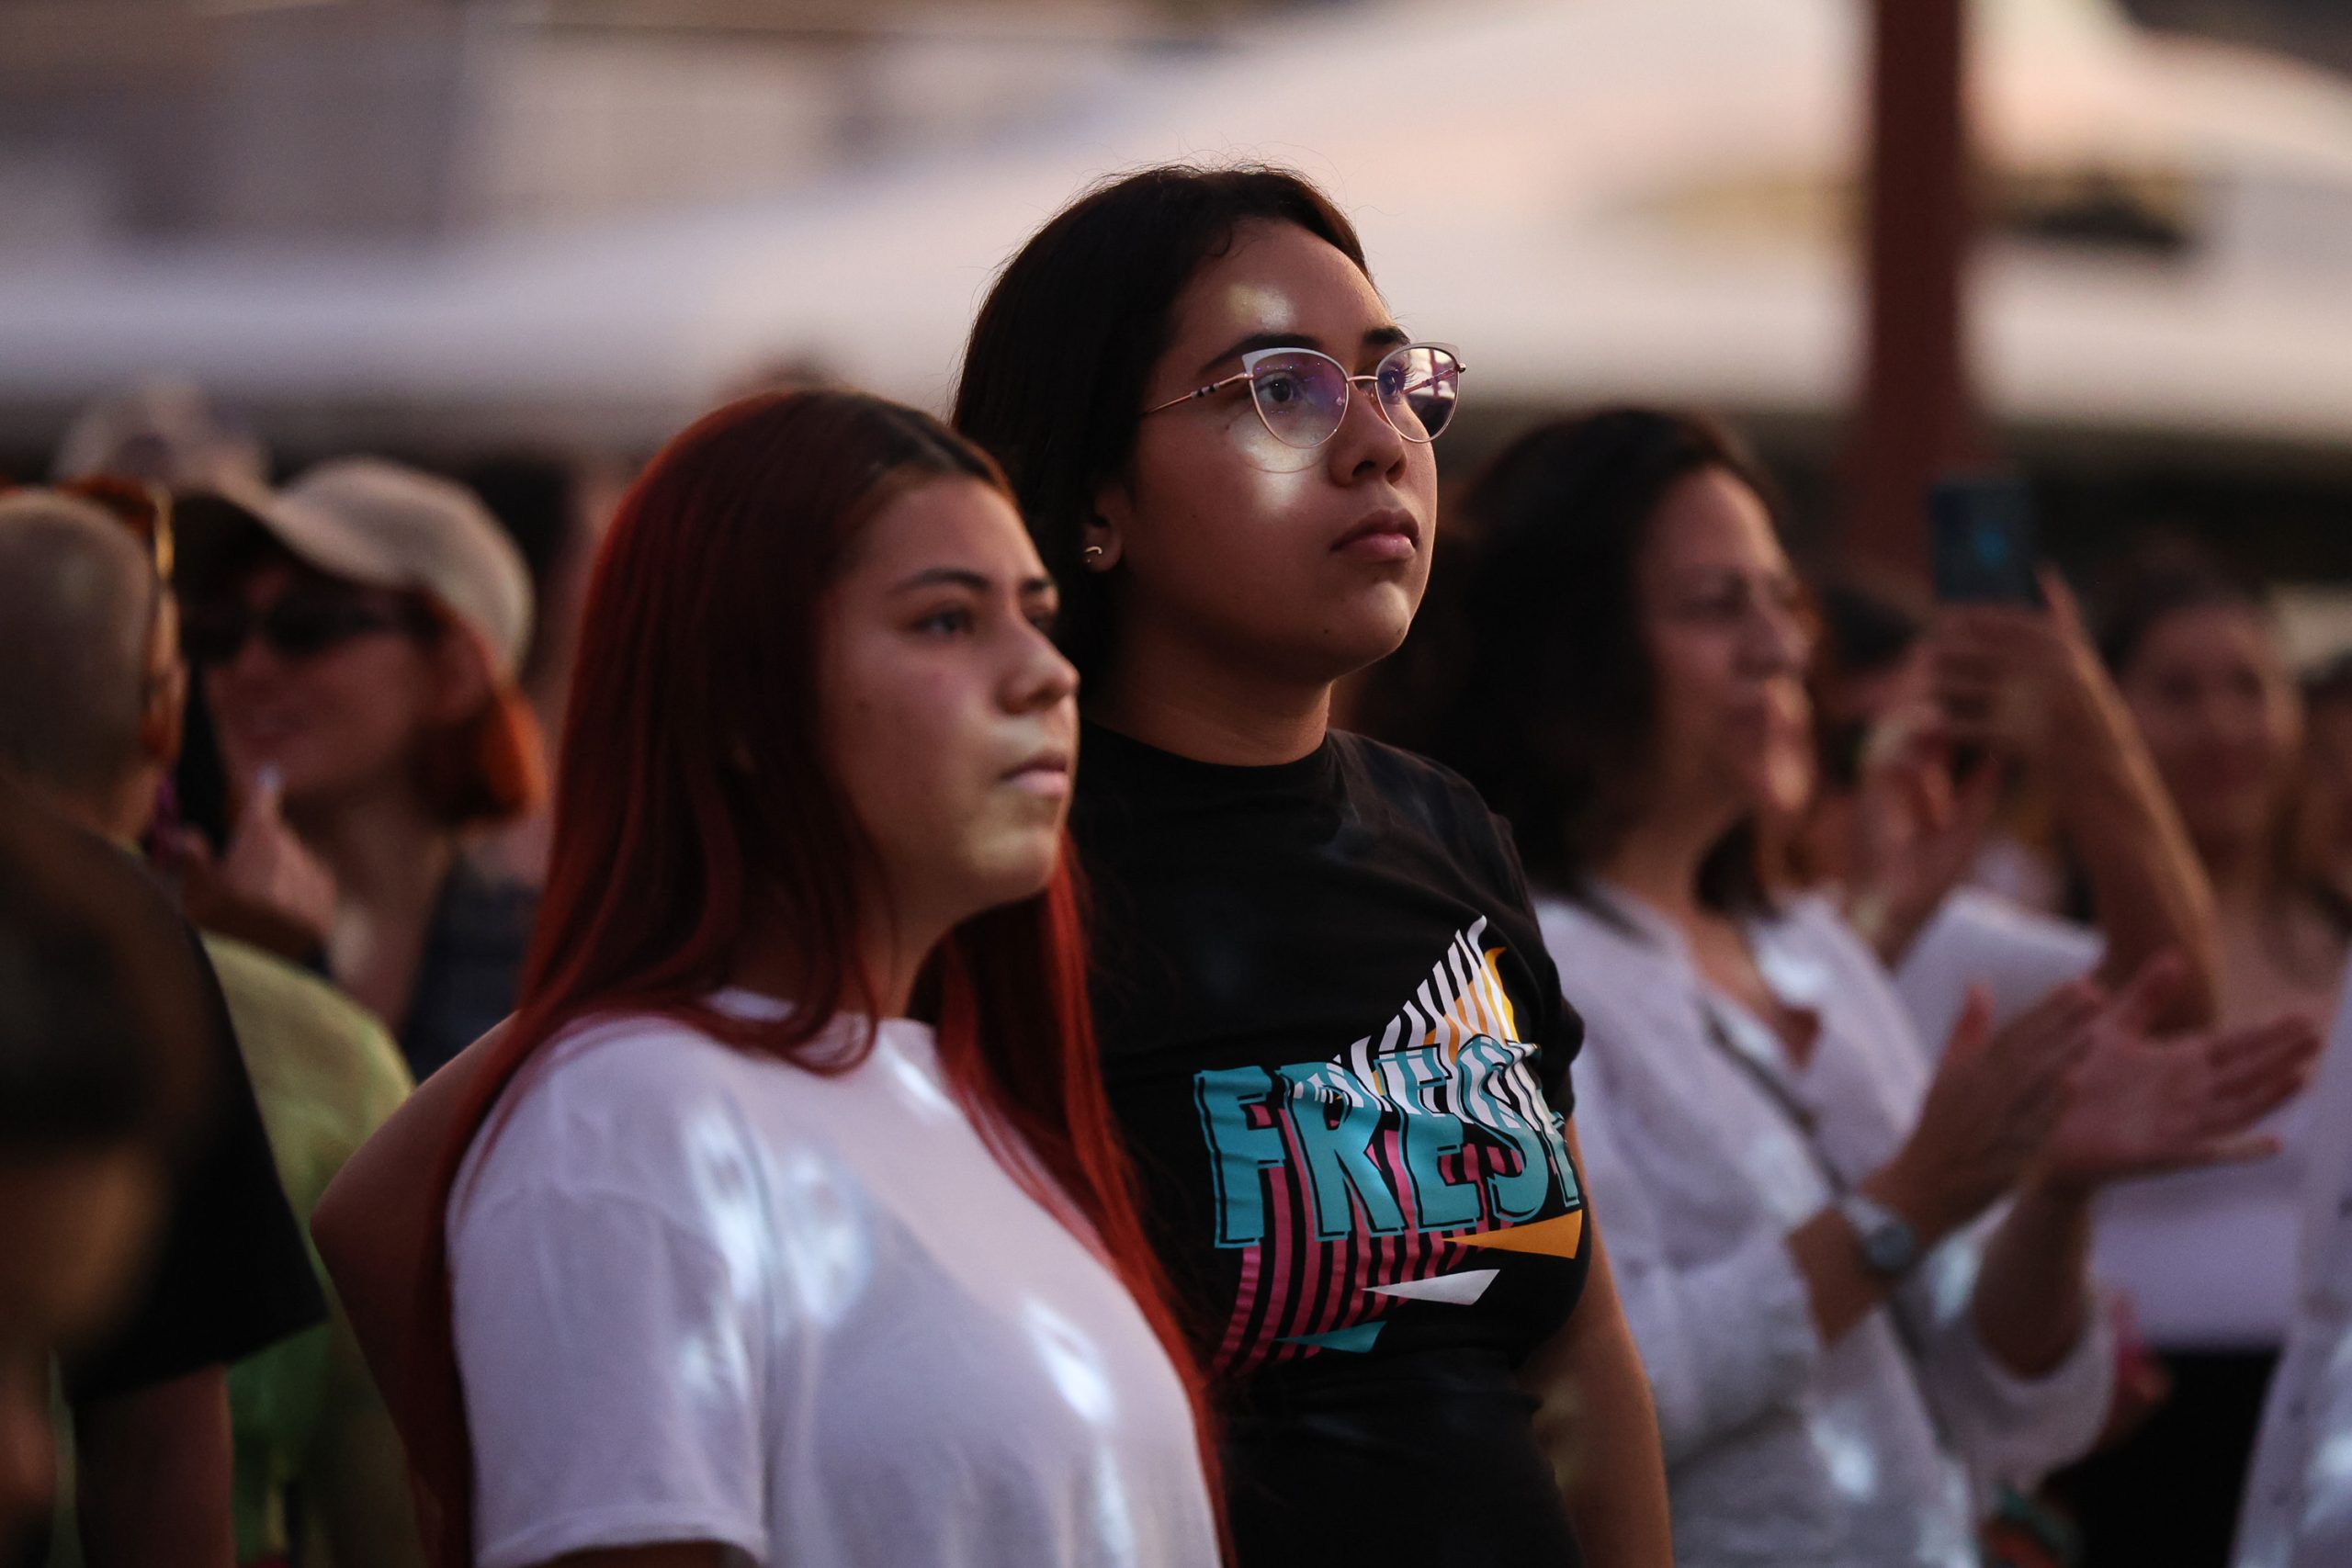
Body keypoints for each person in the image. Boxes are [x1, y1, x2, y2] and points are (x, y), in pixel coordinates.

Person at [312, 389, 1220, 1568]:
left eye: (1036, 616)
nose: (1046, 675)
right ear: (739, 693)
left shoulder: (960, 1098)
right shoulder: (629, 1114)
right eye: (947, 621)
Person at [1419, 408, 2318, 1568]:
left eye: (1777, 599)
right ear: (1562, 650)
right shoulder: (1491, 979)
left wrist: (2052, 1196)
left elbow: (1987, 1398)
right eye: (1713, 605)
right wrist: (1900, 1206)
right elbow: (1576, 1404)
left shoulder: (1805, 948)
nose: (1778, 646)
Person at [951, 164, 1673, 1566]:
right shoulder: (992, 856)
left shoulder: (1447, 834)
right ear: (1098, 490)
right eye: (1281, 388)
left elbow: (1576, 1351)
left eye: (1395, 380)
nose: (1377, 439)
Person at [0, 489, 421, 1565]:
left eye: (313, 626)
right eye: (221, 639)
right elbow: (159, 1444)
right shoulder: (128, 959)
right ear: (161, 711)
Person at [2050, 551, 2352, 1566]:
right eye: (2176, 692)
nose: (2222, 727)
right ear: (2106, 717)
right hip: (2103, 1445)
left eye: (2248, 688)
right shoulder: (2035, 948)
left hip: (2322, 1439)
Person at [177, 459, 544, 1080]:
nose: (249, 666)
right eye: (220, 630)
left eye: (307, 625)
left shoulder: (546, 968)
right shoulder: (153, 939)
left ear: (453, 670)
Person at [1801, 571, 2220, 1047]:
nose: (1895, 783)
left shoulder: (1949, 938)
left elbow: (2172, 1006)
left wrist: (2091, 740)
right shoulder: (1715, 948)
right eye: (1851, 749)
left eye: (1934, 748)